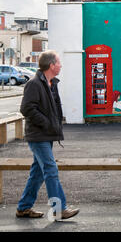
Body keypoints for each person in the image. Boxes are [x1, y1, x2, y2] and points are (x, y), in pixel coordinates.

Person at [16, 50, 79, 220]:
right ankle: (59, 209)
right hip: (38, 136)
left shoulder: (52, 83)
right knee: (51, 169)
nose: (60, 65)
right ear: (51, 65)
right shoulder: (35, 84)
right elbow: (27, 108)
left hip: (47, 134)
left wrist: (54, 125)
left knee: (37, 173)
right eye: (58, 62)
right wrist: (47, 123)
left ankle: (23, 207)